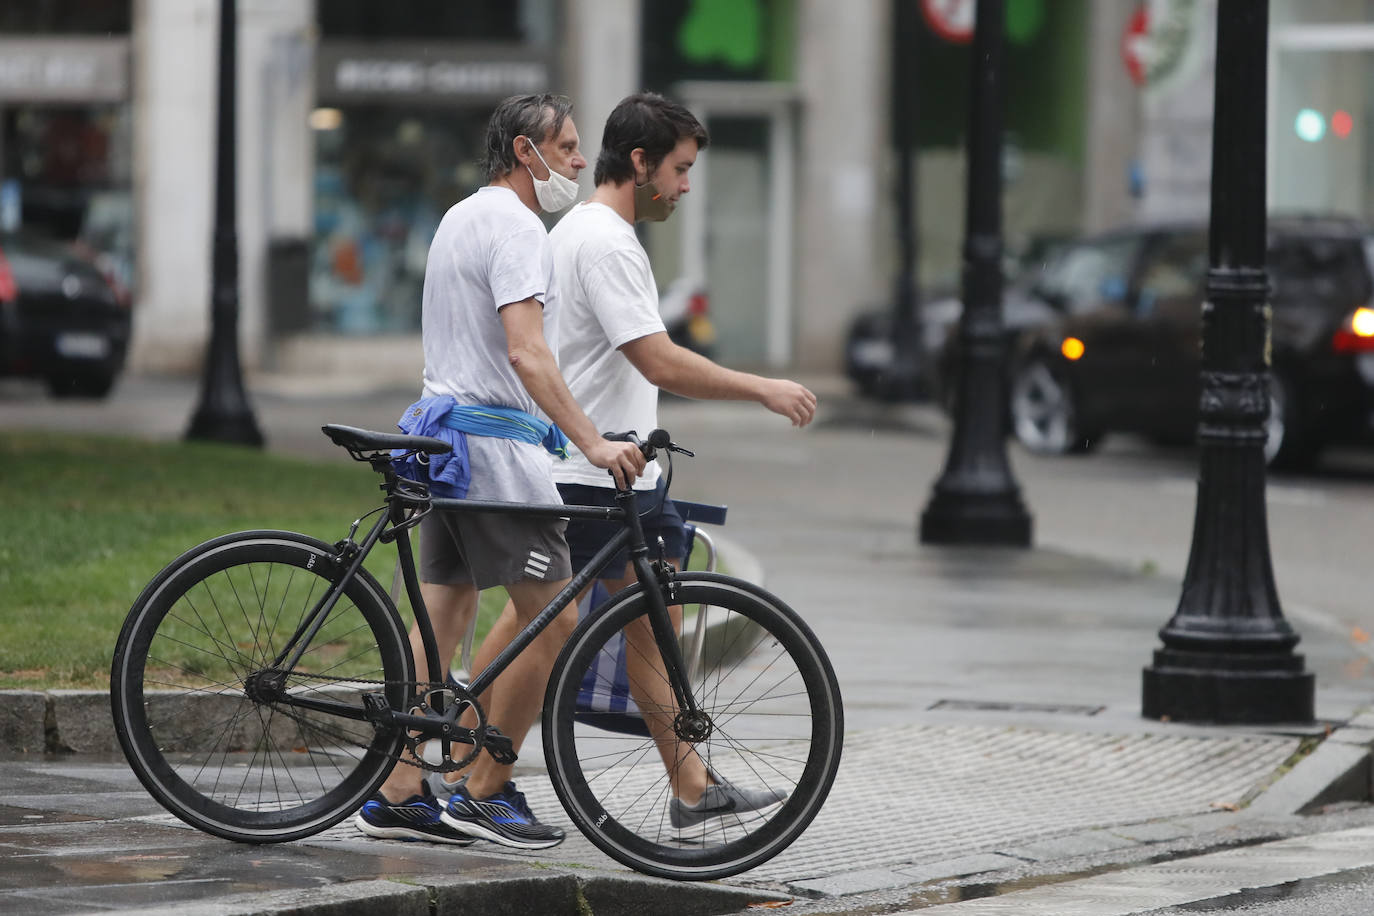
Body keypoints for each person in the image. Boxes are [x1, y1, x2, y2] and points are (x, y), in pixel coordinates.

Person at [429, 92, 817, 827]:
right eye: (678, 168)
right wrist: (762, 387)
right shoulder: (604, 239)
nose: (684, 186)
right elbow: (658, 359)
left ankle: (690, 785)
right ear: (639, 163)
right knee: (547, 627)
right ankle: (477, 782)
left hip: (613, 474)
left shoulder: (581, 229)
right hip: (592, 475)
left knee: (645, 623)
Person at [354, 93, 645, 849]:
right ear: (527, 151)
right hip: (494, 459)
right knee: (557, 618)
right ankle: (485, 789)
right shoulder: (518, 227)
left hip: (443, 447)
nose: (581, 162)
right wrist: (592, 442)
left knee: (443, 618)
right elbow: (527, 352)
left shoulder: (461, 214)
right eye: (570, 147)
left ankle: (398, 789)